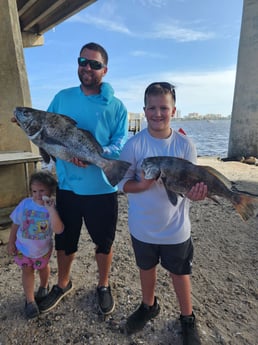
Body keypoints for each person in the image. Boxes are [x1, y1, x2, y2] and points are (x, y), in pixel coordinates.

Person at [37, 42, 128, 315]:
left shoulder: (117, 106)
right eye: (83, 61)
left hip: (102, 188)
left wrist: (96, 156)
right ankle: (63, 284)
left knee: (104, 242)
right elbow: (47, 133)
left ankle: (103, 285)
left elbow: (120, 141)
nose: (87, 67)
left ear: (105, 70)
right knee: (65, 241)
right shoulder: (61, 97)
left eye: (95, 64)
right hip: (67, 188)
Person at [118, 82, 207, 345]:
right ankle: (148, 305)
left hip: (176, 228)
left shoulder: (185, 145)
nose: (158, 113)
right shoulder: (133, 145)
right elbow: (123, 184)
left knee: (180, 272)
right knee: (146, 268)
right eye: (152, 108)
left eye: (164, 108)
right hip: (142, 227)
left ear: (174, 110)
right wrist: (143, 184)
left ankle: (187, 317)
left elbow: (191, 183)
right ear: (144, 110)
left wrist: (197, 193)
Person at [7, 171, 64, 319]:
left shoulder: (53, 208)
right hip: (23, 249)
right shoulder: (25, 204)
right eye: (34, 191)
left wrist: (51, 209)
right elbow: (15, 224)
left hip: (42, 251)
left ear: (50, 191)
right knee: (27, 270)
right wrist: (11, 242)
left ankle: (43, 287)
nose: (37, 194)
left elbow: (58, 229)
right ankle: (30, 300)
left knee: (43, 268)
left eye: (42, 191)